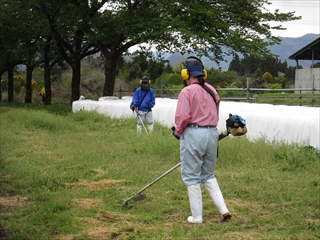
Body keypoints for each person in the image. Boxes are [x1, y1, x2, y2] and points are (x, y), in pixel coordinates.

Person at [173, 56, 231, 223]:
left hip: (194, 133)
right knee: (208, 174)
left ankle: (197, 217)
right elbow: (216, 112)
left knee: (191, 176)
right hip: (212, 133)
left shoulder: (186, 92)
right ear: (203, 73)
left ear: (186, 74)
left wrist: (178, 132)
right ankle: (224, 210)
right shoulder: (213, 90)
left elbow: (183, 116)